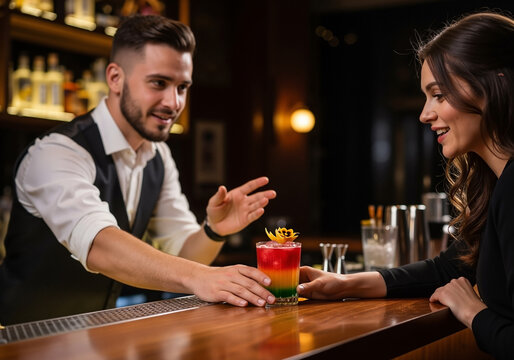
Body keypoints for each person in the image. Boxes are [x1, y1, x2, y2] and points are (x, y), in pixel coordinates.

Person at [0, 15, 277, 326]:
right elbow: (100, 244)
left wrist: (213, 231)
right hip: (23, 340)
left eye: (182, 87)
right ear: (116, 78)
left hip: (95, 337)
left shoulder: (158, 155)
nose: (173, 102)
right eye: (159, 83)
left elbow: (185, 256)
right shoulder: (56, 153)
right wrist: (203, 277)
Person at [297, 11, 513, 359]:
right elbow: (452, 266)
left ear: (495, 86)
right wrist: (345, 284)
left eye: (439, 95)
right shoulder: (496, 183)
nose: (424, 114)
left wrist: (473, 312)